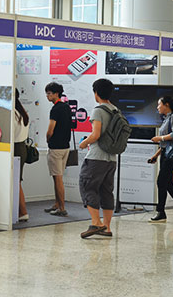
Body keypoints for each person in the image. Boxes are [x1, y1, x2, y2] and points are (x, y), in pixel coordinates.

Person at [78, 78, 118, 238]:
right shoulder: (115, 110)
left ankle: (96, 223)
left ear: (96, 93)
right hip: (111, 159)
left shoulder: (98, 111)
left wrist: (84, 143)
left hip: (96, 158)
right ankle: (106, 228)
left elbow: (96, 135)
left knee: (87, 186)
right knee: (106, 191)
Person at [44, 82, 71, 217]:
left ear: (56, 94)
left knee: (58, 178)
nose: (47, 96)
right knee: (57, 177)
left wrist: (48, 139)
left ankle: (62, 208)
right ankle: (57, 204)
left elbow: (50, 130)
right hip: (65, 147)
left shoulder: (55, 109)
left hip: (56, 148)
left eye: (49, 93)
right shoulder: (66, 107)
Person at [13, 88, 30, 222]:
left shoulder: (12, 113)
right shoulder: (22, 113)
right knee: (17, 181)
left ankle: (23, 211)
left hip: (15, 148)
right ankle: (20, 211)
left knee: (16, 181)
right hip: (22, 147)